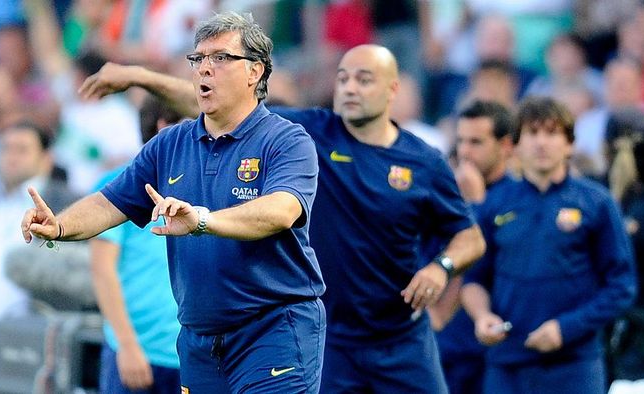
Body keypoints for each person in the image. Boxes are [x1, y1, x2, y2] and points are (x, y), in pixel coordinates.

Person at [80, 44, 486, 393]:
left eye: (364, 79)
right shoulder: (310, 133)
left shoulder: (424, 160)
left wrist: (441, 267)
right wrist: (141, 78)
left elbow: (469, 238)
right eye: (343, 78)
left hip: (401, 335)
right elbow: (222, 103)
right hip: (333, 338)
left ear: (393, 89)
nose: (349, 88)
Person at [22, 12, 325, 394]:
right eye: (198, 59)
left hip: (273, 329)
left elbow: (281, 211)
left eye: (220, 58)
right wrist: (60, 226)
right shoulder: (170, 143)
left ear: (255, 71)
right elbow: (108, 202)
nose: (204, 69)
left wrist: (202, 219)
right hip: (200, 339)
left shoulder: (285, 140)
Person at [461, 96, 637, 394]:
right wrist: (482, 317)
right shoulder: (494, 204)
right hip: (507, 365)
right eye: (531, 133)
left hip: (574, 365)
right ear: (515, 146)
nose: (541, 143)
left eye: (552, 133)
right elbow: (474, 279)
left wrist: (566, 328)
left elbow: (621, 286)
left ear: (569, 144)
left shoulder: (596, 202)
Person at [0, 121, 76, 393]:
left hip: (39, 358)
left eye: (22, 149)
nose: (11, 156)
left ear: (47, 159)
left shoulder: (68, 206)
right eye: (6, 148)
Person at [90, 95, 183, 393]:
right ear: (164, 128)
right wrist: (127, 346)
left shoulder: (200, 186)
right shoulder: (119, 184)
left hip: (191, 356)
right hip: (137, 354)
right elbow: (102, 271)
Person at [433, 99, 516, 394]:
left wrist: (476, 205)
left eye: (476, 142)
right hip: (444, 348)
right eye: (461, 141)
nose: (465, 151)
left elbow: (485, 263)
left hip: (493, 351)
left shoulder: (516, 199)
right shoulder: (443, 196)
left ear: (505, 145)